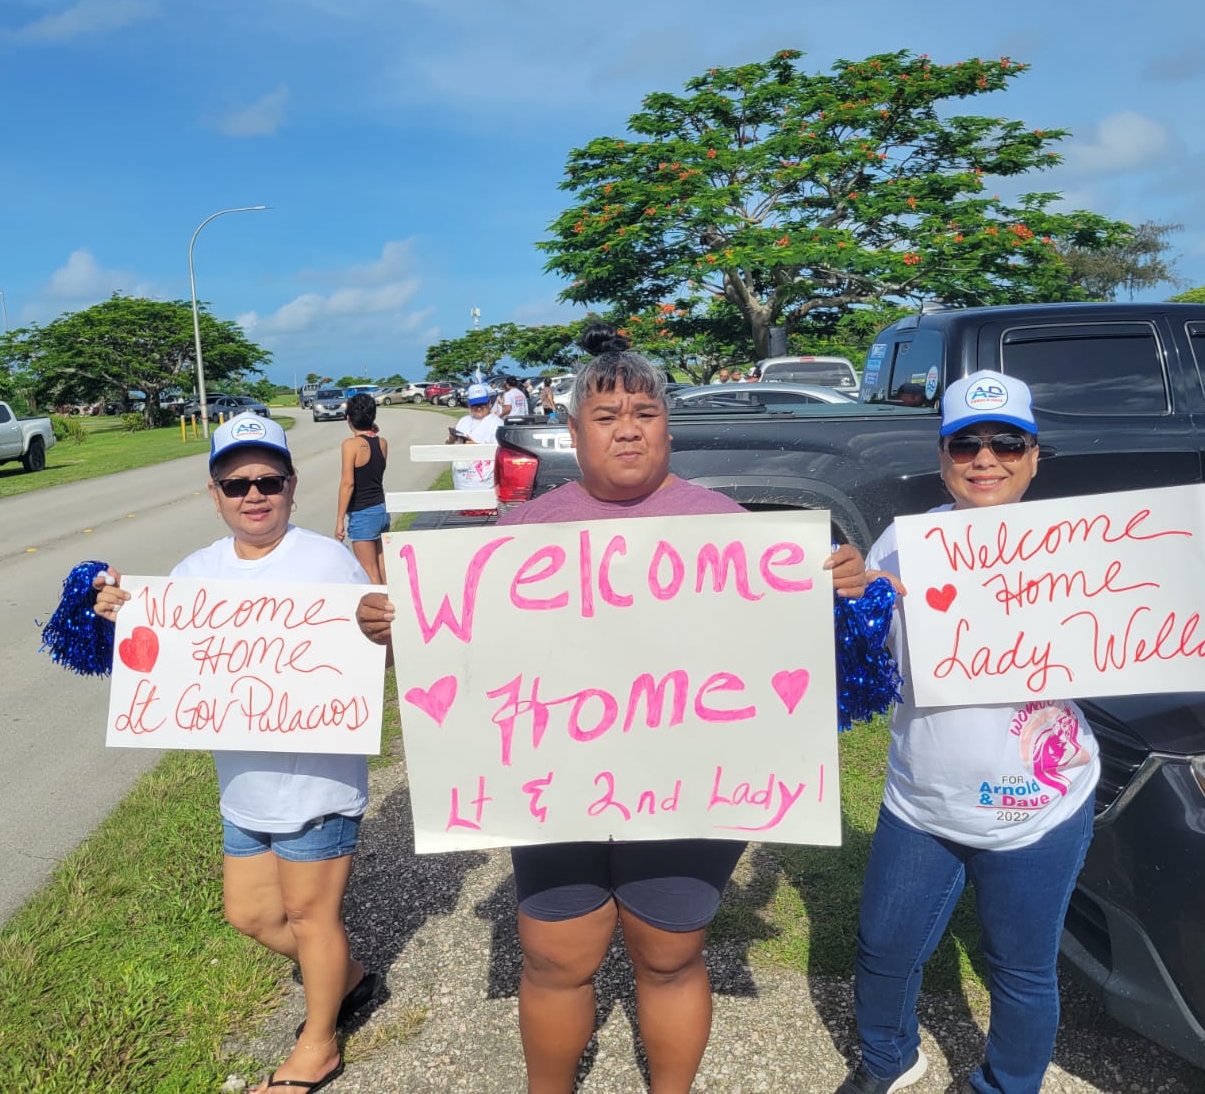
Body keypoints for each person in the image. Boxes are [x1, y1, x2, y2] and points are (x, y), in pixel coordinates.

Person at [359, 323, 875, 1094]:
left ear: (669, 423)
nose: (628, 427)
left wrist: (842, 595)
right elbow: (459, 658)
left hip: (687, 793)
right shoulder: (524, 529)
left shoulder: (731, 532)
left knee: (668, 954)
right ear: (574, 432)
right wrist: (393, 631)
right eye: (606, 416)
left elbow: (795, 666)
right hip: (554, 790)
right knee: (555, 956)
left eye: (645, 411)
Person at [836, 370, 1205, 1094]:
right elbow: (865, 668)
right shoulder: (900, 544)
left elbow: (1175, 633)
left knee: (1022, 965)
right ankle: (888, 1062)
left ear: (1035, 456)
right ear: (942, 457)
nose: (985, 459)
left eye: (1007, 442)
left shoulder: (1087, 551)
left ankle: (1007, 1084)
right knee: (882, 949)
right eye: (964, 444)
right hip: (921, 799)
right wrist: (853, 604)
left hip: (1040, 806)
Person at [92, 414, 384, 1093]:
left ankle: (319, 1044)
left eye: (269, 481)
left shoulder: (327, 561)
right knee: (250, 914)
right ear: (214, 492)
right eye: (237, 483)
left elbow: (374, 659)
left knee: (314, 917)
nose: (254, 495)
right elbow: (165, 655)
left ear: (291, 484)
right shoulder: (195, 571)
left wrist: (378, 630)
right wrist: (119, 613)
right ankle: (349, 976)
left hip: (317, 781)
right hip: (244, 780)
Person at [335, 392, 390, 584]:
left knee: (370, 573)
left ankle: (382, 613)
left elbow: (347, 483)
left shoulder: (351, 445)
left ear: (348, 418)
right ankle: (394, 610)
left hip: (362, 513)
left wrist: (340, 519)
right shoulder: (381, 443)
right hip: (381, 509)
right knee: (382, 569)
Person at [447, 382, 504, 493]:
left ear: (489, 403)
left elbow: (500, 452)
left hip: (484, 485)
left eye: (482, 404)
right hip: (461, 483)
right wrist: (451, 440)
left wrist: (475, 446)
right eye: (475, 405)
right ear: (469, 404)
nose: (478, 408)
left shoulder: (497, 423)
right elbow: (450, 447)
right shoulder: (463, 421)